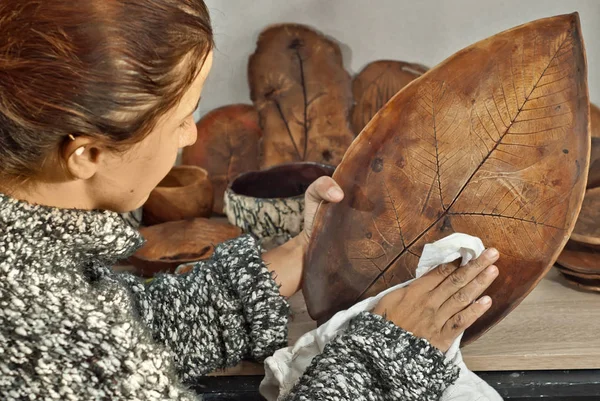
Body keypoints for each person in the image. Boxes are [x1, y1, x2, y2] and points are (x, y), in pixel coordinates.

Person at [0, 1, 500, 400]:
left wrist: (302, 252)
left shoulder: (32, 268)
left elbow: (115, 327)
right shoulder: (37, 331)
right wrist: (383, 360)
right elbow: (86, 352)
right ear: (88, 153)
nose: (189, 135)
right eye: (181, 116)